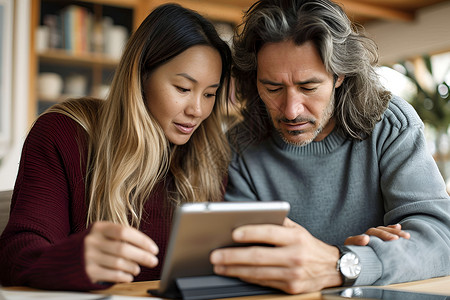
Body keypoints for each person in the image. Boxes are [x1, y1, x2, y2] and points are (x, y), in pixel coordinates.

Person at [210, 0, 450, 294]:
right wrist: (384, 255)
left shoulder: (391, 125)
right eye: (273, 88)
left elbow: (441, 242)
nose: (290, 110)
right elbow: (245, 259)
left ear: (340, 75)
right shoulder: (240, 147)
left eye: (308, 87)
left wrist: (343, 263)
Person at [0, 3, 232, 291]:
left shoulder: (209, 156)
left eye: (210, 94)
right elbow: (15, 255)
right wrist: (72, 259)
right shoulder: (64, 133)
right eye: (183, 89)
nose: (198, 110)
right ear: (140, 76)